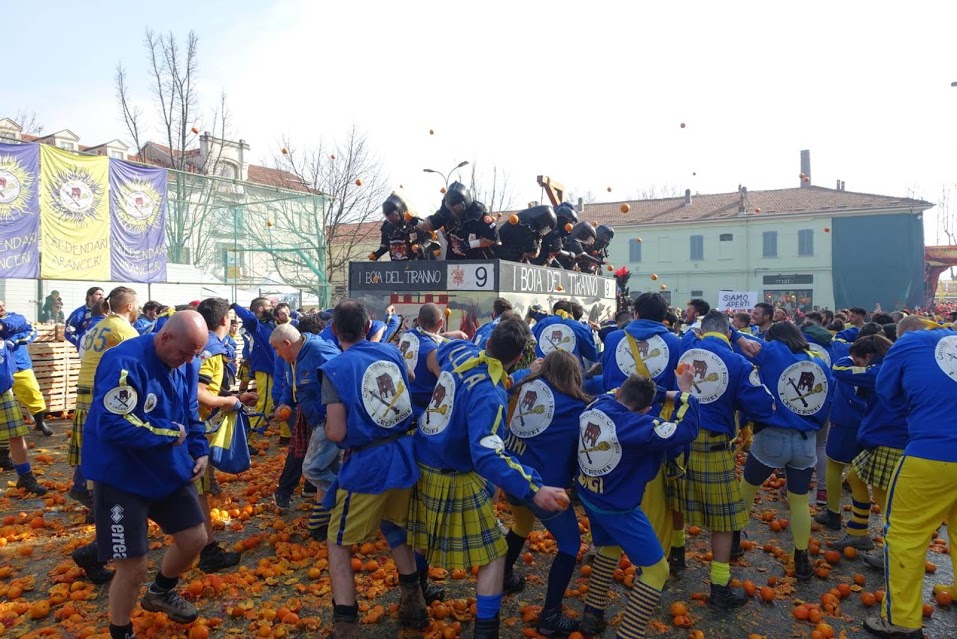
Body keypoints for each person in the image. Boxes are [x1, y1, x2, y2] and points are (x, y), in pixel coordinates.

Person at [409, 318, 569, 639]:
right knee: (495, 555)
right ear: (519, 355)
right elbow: (486, 453)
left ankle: (415, 600)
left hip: (421, 460)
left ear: (490, 340)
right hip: (452, 473)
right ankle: (486, 631)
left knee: (421, 538)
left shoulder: (458, 350)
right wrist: (534, 488)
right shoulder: (490, 396)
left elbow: (430, 360)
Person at [81, 312, 211, 639]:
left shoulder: (188, 364)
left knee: (195, 538)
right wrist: (170, 434)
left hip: (166, 469)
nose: (188, 361)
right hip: (121, 476)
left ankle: (160, 592)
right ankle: (121, 631)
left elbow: (189, 413)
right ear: (165, 338)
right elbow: (114, 424)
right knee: (133, 564)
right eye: (184, 352)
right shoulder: (123, 362)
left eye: (194, 354)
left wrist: (199, 449)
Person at [320, 300, 428, 638]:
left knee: (337, 542)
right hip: (404, 454)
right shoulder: (390, 351)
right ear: (368, 327)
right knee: (394, 526)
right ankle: (414, 600)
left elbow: (336, 432)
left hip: (369, 465)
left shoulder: (336, 368)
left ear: (335, 330)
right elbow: (409, 377)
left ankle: (346, 622)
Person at [577, 372, 700, 637]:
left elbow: (613, 391)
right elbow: (685, 430)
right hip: (618, 506)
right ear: (646, 410)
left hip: (590, 494)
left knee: (609, 547)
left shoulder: (598, 404)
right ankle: (628, 633)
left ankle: (592, 613)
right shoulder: (642, 427)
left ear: (620, 392)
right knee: (657, 570)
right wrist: (685, 393)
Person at [863, 318, 956, 638]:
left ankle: (902, 620)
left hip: (932, 451)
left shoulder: (908, 343)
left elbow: (887, 393)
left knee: (905, 534)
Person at [677, 310, 775, 608]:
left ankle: (676, 556)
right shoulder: (739, 362)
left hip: (677, 438)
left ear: (702, 330)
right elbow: (762, 406)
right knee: (723, 519)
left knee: (675, 502)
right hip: (714, 444)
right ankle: (719, 587)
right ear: (728, 333)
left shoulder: (680, 348)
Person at [734, 321, 833, 580]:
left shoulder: (775, 352)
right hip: (805, 441)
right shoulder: (819, 362)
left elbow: (740, 339)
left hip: (772, 436)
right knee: (799, 500)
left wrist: (736, 334)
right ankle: (801, 557)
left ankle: (733, 539)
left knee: (747, 487)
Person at [501, 350, 590, 635]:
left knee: (521, 524)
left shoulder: (524, 386)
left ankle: (502, 576)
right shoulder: (576, 407)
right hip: (542, 487)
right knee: (569, 544)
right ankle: (550, 616)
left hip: (512, 476)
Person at [68, 286, 141, 528]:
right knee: (104, 447)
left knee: (88, 444)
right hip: (104, 392)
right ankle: (98, 503)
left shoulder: (95, 326)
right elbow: (138, 366)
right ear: (130, 306)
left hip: (83, 391)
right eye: (137, 304)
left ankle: (81, 487)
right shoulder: (125, 330)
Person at [829, 334, 903, 563]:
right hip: (884, 436)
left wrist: (849, 360)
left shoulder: (879, 371)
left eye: (859, 360)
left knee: (886, 499)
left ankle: (894, 551)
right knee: (854, 476)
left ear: (869, 356)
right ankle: (858, 532)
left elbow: (838, 369)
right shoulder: (892, 366)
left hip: (890, 438)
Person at [194, 298, 253, 572]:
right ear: (223, 321)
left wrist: (236, 396)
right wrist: (227, 403)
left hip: (180, 425)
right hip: (190, 429)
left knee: (193, 490)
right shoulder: (212, 350)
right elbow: (199, 392)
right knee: (197, 490)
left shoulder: (198, 344)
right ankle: (208, 551)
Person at [0, 333, 47, 497]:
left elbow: (25, 326)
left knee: (16, 435)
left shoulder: (7, 325)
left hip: (3, 392)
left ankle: (25, 477)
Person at [410, 182, 498, 260]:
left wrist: (470, 245)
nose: (454, 210)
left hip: (479, 261)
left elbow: (491, 238)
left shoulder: (479, 215)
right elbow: (429, 225)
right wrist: (415, 222)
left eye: (458, 206)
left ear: (465, 202)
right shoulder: (446, 213)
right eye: (451, 207)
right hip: (453, 260)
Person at [0, 300, 51, 436]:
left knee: (32, 391)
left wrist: (15, 338)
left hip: (19, 363)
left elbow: (31, 330)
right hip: (1, 367)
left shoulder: (15, 317)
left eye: (2, 304)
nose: (1, 307)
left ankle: (40, 422)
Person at [231, 299, 279, 437]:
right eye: (268, 306)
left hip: (272, 365)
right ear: (260, 309)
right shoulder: (255, 325)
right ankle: (250, 429)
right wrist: (235, 306)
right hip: (264, 366)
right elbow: (249, 317)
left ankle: (257, 425)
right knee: (265, 401)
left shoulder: (270, 324)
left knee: (268, 399)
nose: (271, 308)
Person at [398, 304, 445, 420]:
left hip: (403, 405)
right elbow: (448, 384)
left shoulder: (407, 336)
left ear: (418, 320)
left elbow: (426, 337)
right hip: (424, 414)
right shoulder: (434, 353)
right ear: (441, 324)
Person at [531, 300, 599, 370]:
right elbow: (591, 354)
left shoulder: (541, 323)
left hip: (542, 371)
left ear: (554, 312)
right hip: (569, 373)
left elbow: (529, 343)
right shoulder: (579, 327)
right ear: (571, 313)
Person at [369, 193, 437, 262]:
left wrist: (422, 247)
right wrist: (376, 254)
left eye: (393, 215)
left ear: (400, 212)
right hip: (397, 266)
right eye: (387, 217)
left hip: (419, 264)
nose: (390, 219)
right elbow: (385, 245)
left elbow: (429, 240)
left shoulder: (413, 222)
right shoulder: (386, 226)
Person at [531, 202, 578, 268]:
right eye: (571, 222)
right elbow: (556, 251)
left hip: (538, 262)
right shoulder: (555, 229)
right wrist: (570, 255)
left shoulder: (553, 229)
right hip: (535, 263)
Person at [66, 286, 105, 351]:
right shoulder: (78, 313)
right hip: (86, 350)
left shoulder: (106, 312)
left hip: (102, 349)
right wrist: (81, 344)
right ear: (89, 296)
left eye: (102, 295)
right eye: (98, 294)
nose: (101, 297)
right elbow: (69, 332)